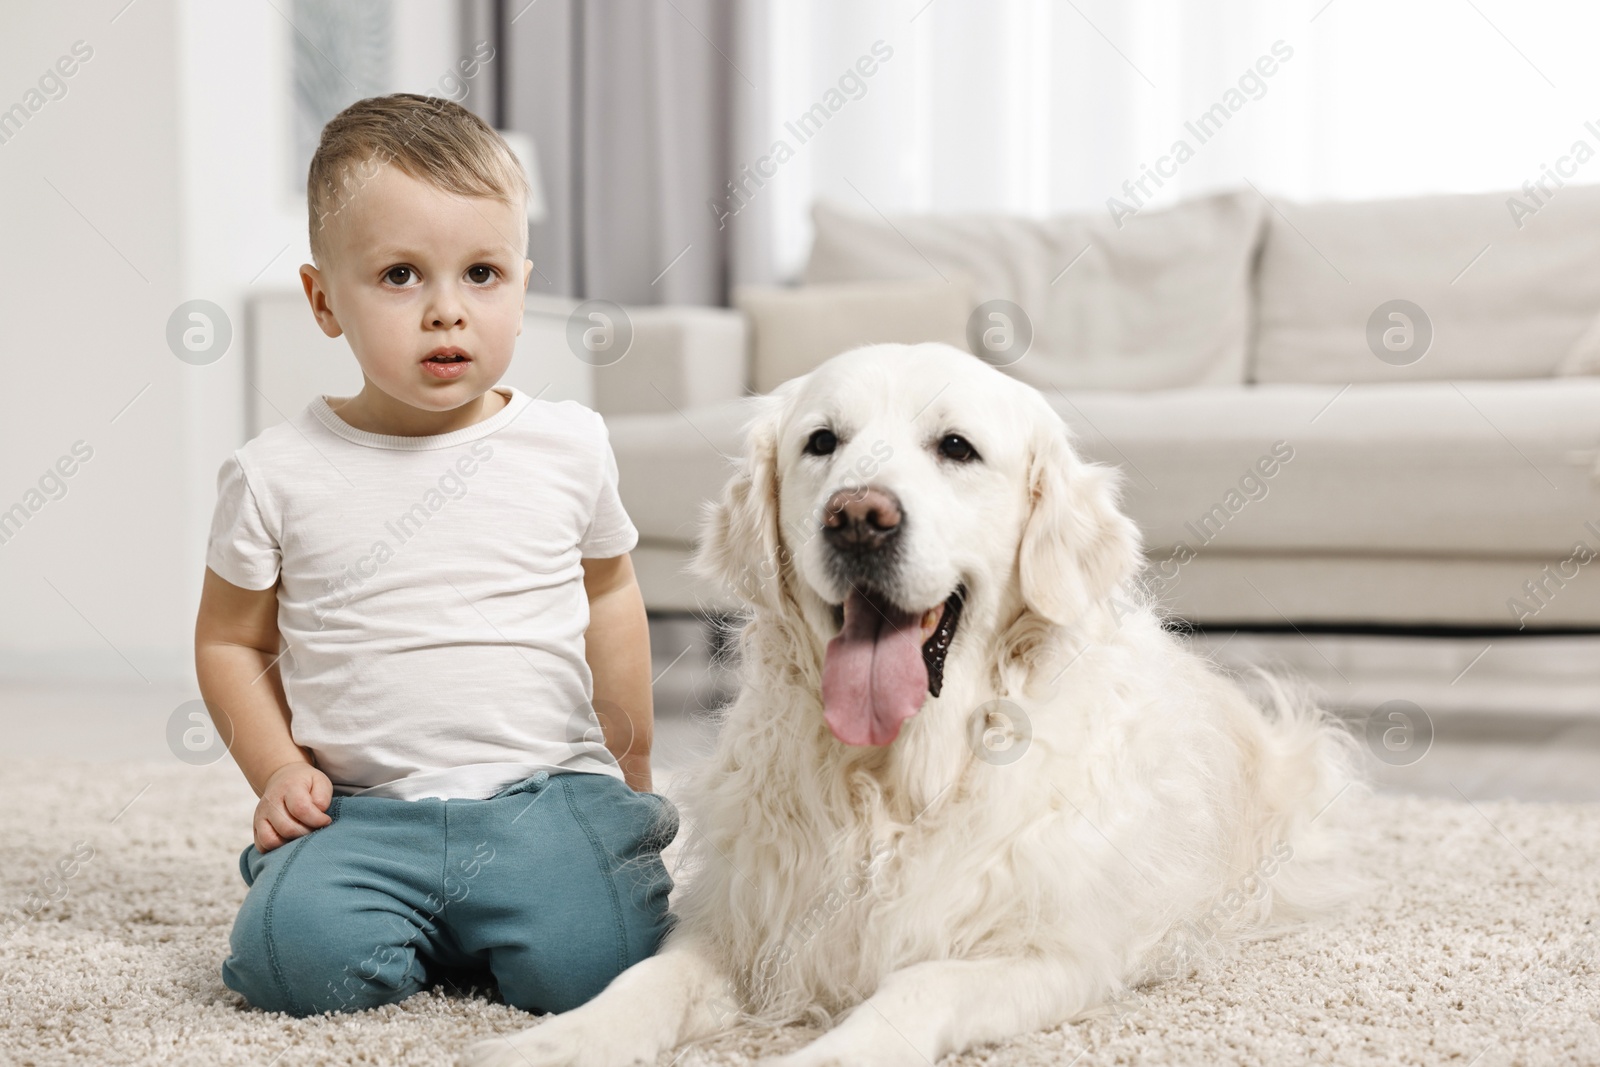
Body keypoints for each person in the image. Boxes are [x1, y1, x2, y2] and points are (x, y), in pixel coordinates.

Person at [193, 92, 677, 1018]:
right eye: (402, 275)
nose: (447, 311)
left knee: (605, 966)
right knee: (292, 965)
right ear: (324, 298)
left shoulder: (569, 446)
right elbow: (229, 642)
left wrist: (632, 755)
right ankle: (416, 921)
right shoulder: (275, 473)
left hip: (545, 792)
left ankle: (522, 914)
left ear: (524, 286)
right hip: (363, 812)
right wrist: (277, 770)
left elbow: (611, 594)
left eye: (483, 274)